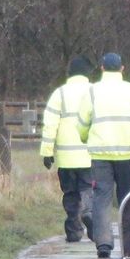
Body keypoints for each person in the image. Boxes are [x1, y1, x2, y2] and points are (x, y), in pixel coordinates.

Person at [77, 52, 130, 258]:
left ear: (101, 68)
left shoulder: (92, 92)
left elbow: (82, 125)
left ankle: (103, 242)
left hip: (100, 154)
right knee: (128, 197)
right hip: (127, 153)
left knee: (101, 196)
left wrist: (87, 137)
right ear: (122, 69)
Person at [40, 56, 96, 242]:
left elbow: (50, 124)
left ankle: (73, 230)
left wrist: (47, 152)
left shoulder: (59, 94)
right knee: (88, 189)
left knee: (70, 194)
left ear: (70, 73)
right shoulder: (94, 92)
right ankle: (90, 214)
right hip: (90, 155)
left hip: (66, 157)